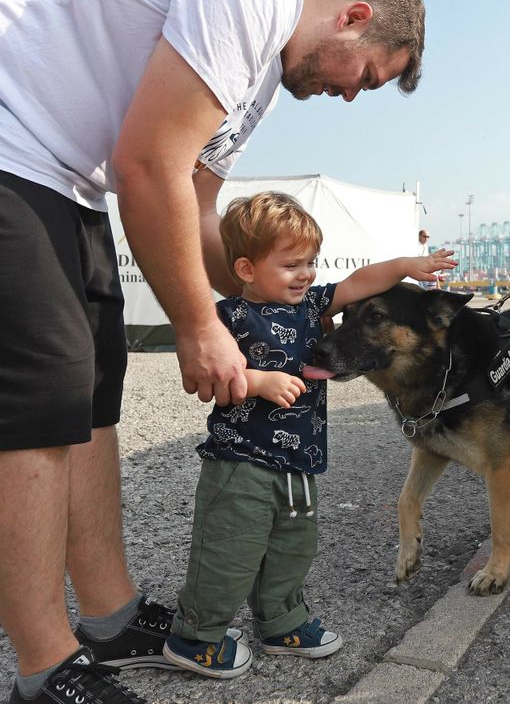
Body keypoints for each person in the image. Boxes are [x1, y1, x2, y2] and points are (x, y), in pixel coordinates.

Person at [0, 0, 426, 703]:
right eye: (367, 76)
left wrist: (267, 298)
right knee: (33, 398)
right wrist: (198, 326)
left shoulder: (258, 87)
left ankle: (110, 619)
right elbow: (147, 166)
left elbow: (197, 208)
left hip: (49, 162)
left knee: (94, 383)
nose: (349, 95)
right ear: (354, 16)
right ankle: (47, 669)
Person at [162, 192, 455, 678]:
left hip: (300, 466)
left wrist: (407, 265)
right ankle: (196, 637)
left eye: (311, 262)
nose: (306, 274)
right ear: (246, 268)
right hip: (240, 464)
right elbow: (201, 378)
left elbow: (359, 282)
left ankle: (281, 623)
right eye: (291, 264)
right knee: (229, 551)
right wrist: (258, 381)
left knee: (293, 547)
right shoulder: (226, 318)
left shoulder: (312, 304)